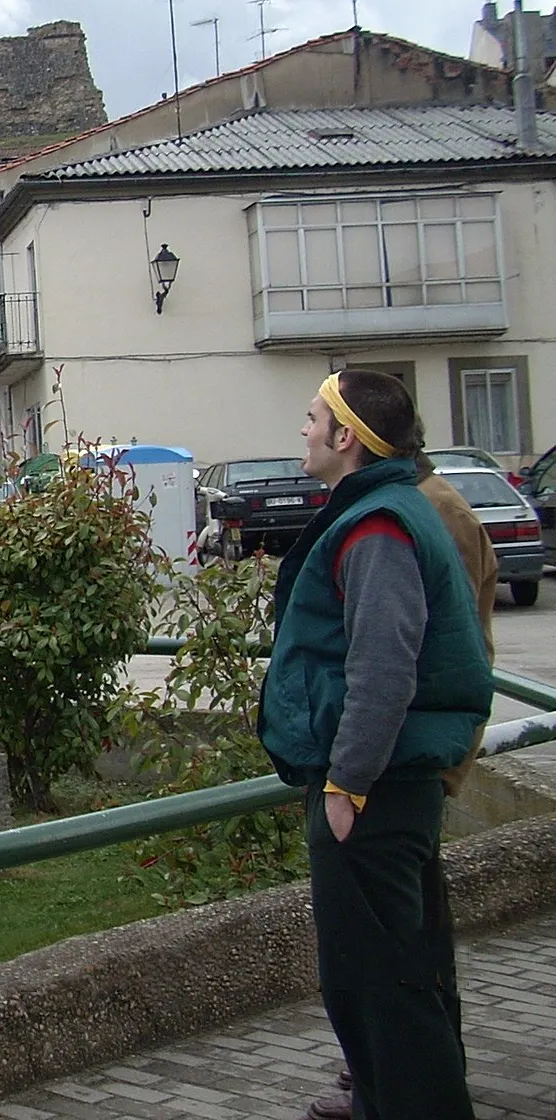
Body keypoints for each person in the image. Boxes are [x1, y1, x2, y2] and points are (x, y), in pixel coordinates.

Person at [261, 369, 493, 1120]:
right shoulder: (388, 508)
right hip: (390, 784)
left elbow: (384, 665)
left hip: (375, 791)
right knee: (394, 975)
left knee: (378, 985)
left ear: (347, 438)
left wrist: (347, 784)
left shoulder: (379, 526)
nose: (302, 430)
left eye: (312, 418)